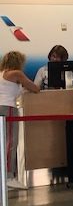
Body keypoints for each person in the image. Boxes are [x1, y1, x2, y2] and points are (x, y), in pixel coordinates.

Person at [1, 51, 41, 180]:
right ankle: (8, 177)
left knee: (2, 142)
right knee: (11, 142)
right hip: (8, 108)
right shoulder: (16, 74)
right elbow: (35, 88)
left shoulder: (1, 74)